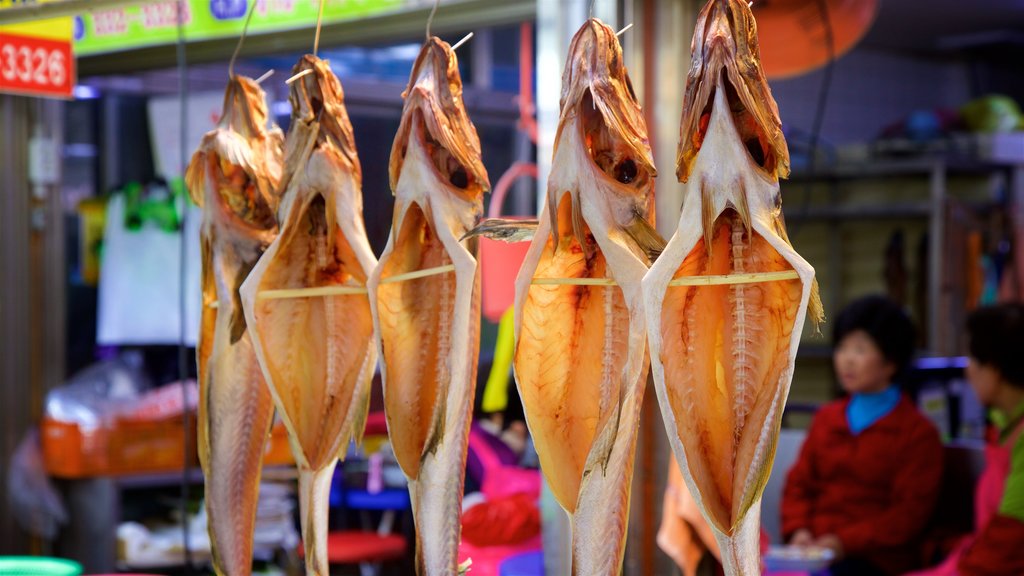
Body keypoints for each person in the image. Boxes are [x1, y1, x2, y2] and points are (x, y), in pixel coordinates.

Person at [781, 295, 944, 576]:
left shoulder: (918, 434)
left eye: (860, 349)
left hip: (876, 561)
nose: (847, 360)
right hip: (814, 553)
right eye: (842, 347)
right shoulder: (827, 418)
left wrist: (842, 543)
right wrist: (799, 530)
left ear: (890, 362)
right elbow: (799, 484)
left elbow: (907, 516)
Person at [907, 303, 1024, 575]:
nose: (968, 370)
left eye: (973, 360)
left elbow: (1007, 541)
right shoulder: (1004, 428)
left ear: (994, 370)